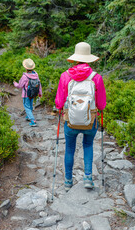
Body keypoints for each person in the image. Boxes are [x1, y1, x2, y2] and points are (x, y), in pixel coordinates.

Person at [55, 42, 106, 190]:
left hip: (70, 121)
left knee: (70, 148)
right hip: (90, 121)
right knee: (88, 145)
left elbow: (59, 102)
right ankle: (88, 178)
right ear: (89, 58)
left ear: (75, 58)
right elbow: (101, 105)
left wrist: (61, 109)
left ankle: (68, 180)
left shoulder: (65, 76)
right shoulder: (96, 77)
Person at [14, 58, 42, 127]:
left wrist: (15, 84)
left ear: (25, 68)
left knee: (26, 106)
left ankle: (33, 120)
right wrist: (40, 93)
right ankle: (28, 116)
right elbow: (39, 84)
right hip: (33, 93)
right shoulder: (36, 74)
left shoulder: (25, 76)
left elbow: (20, 85)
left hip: (26, 94)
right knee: (30, 105)